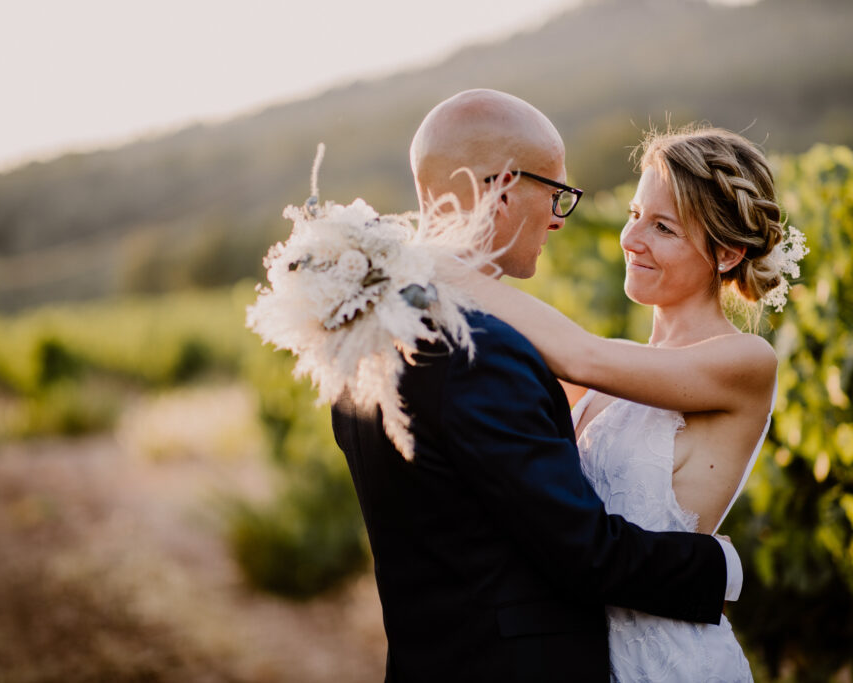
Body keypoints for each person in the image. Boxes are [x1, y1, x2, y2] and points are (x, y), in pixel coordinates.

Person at [330, 89, 742, 682]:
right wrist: (721, 569)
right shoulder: (478, 353)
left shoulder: (367, 334)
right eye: (556, 194)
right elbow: (584, 553)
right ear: (500, 188)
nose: (557, 217)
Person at [455, 127, 793, 681]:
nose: (631, 238)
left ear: (727, 252)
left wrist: (442, 269)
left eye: (663, 227)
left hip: (670, 664)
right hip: (580, 657)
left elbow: (577, 355)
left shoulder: (745, 362)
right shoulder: (619, 368)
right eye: (635, 213)